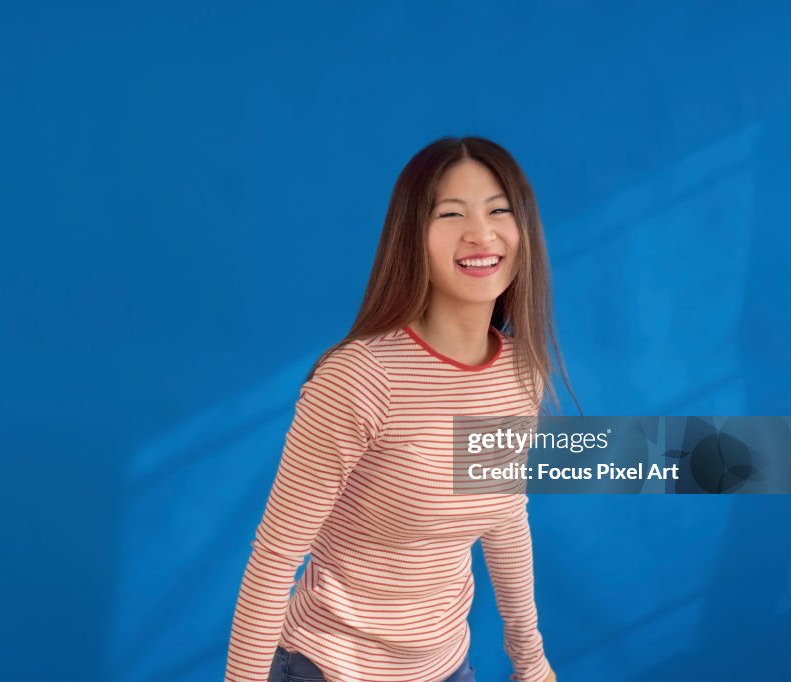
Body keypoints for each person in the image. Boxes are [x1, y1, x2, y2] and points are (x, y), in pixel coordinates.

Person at [224, 136, 576, 682]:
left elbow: (503, 516)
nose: (481, 233)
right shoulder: (359, 379)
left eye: (499, 210)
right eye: (451, 213)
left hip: (446, 667)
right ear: (414, 236)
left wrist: (531, 661)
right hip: (330, 668)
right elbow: (273, 560)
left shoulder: (518, 372)